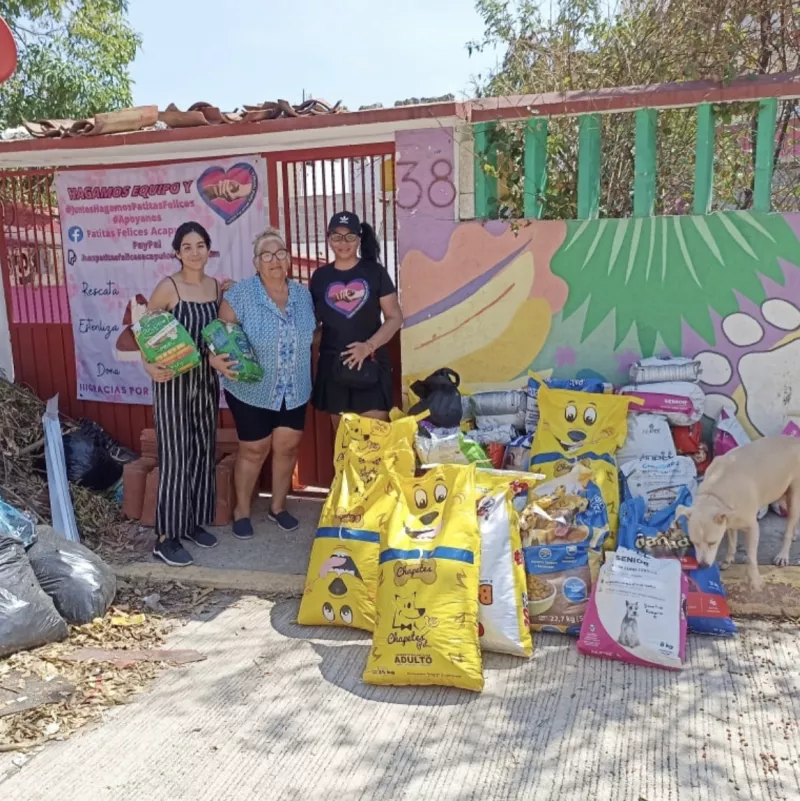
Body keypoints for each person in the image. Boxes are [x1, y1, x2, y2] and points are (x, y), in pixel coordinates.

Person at [214, 229, 316, 538]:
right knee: (254, 448)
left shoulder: (302, 294)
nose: (275, 260)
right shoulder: (241, 295)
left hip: (294, 387)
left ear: (288, 258)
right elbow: (221, 336)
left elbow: (314, 334)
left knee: (287, 447)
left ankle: (278, 507)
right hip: (252, 389)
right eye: (267, 255)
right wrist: (217, 360)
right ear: (257, 262)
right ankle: (242, 510)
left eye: (280, 253)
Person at [143, 221, 232, 567]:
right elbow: (147, 334)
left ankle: (191, 522)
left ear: (209, 249)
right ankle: (166, 537)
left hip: (206, 381)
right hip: (172, 382)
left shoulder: (215, 287)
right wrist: (148, 367)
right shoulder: (168, 288)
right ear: (177, 252)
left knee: (201, 449)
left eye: (200, 245)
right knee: (176, 456)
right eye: (187, 247)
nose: (195, 253)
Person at [310, 211, 403, 428]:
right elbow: (313, 324)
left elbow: (394, 317)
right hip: (334, 369)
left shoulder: (375, 272)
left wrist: (368, 346)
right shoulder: (320, 277)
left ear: (359, 239)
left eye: (350, 236)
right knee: (345, 445)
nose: (343, 243)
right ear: (329, 238)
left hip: (370, 366)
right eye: (337, 236)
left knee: (372, 445)